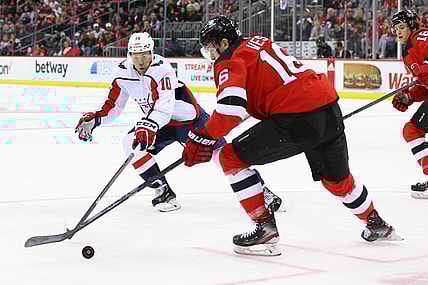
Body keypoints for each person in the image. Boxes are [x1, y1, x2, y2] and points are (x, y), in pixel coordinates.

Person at [182, 15, 402, 256]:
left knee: (230, 157)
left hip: (296, 117)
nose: (210, 55)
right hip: (328, 108)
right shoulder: (259, 41)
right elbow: (257, 94)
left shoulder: (228, 59)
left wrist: (203, 135)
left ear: (222, 43)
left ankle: (264, 229)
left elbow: (230, 109)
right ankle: (376, 223)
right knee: (337, 180)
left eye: (209, 49)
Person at [75, 32, 284, 213]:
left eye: (145, 54)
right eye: (136, 55)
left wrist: (148, 125)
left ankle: (261, 192)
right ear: (129, 55)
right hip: (159, 125)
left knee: (223, 156)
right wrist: (97, 118)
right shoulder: (122, 73)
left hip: (188, 121)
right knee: (129, 143)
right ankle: (163, 190)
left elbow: (164, 107)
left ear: (152, 52)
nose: (141, 60)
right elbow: (113, 104)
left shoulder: (161, 68)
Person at [391, 10, 428, 199]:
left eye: (402, 26)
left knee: (412, 131)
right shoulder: (407, 55)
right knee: (411, 131)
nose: (398, 31)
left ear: (412, 25)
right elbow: (424, 87)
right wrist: (409, 97)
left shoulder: (421, 36)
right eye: (396, 28)